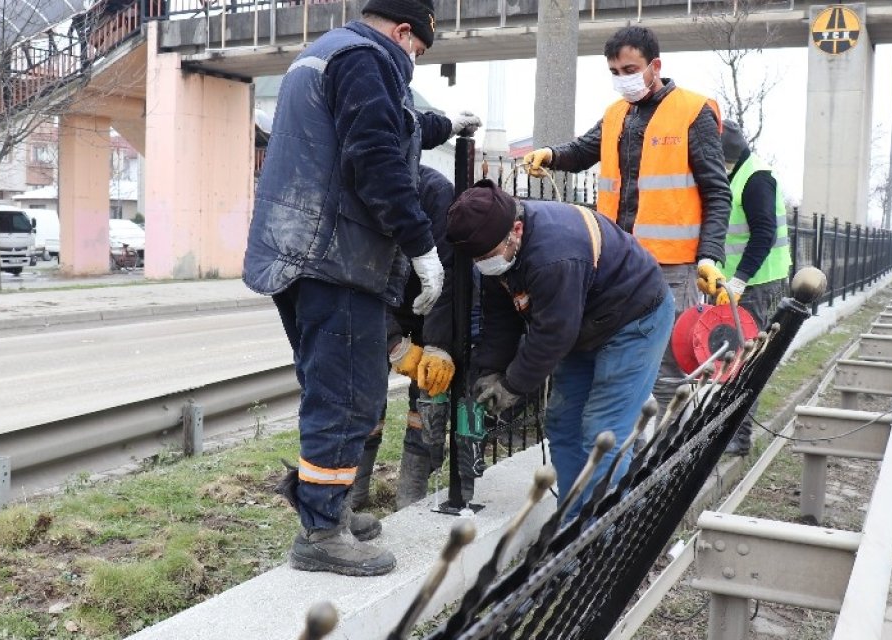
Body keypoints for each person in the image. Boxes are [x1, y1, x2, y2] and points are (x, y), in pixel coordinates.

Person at [242, 0, 479, 577]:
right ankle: (322, 531)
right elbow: (376, 156)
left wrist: (452, 124)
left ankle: (329, 504)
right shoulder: (366, 60)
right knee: (349, 396)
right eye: (418, 51)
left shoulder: (321, 57)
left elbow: (400, 126)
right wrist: (422, 245)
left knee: (330, 386)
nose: (415, 62)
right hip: (336, 256)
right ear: (403, 32)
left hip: (292, 249)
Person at [520, 25, 731, 416]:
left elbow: (717, 192)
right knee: (614, 356)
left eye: (630, 69)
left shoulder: (692, 110)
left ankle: (672, 457)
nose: (623, 79)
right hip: (617, 263)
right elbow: (584, 149)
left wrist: (709, 257)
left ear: (655, 65)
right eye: (615, 72)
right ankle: (626, 453)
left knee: (669, 367)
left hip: (673, 265)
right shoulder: (617, 114)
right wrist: (551, 154)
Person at [445, 179, 674, 519]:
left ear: (517, 230)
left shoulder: (555, 256)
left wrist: (512, 386)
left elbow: (553, 335)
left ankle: (603, 539)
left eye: (487, 256)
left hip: (634, 319)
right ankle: (573, 523)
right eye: (477, 259)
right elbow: (500, 317)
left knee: (603, 433)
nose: (483, 264)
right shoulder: (499, 246)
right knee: (563, 423)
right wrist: (493, 369)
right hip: (583, 321)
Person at [346, 165, 458, 511]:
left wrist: (438, 345)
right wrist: (393, 342)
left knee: (429, 394)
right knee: (362, 396)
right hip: (377, 301)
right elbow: (355, 281)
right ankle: (352, 494)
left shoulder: (436, 194)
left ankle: (411, 496)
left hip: (430, 302)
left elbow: (451, 273)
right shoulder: (356, 192)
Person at [715, 120, 791, 455]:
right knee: (731, 353)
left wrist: (739, 278)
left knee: (746, 358)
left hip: (758, 283)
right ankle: (724, 424)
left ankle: (739, 435)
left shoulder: (756, 177)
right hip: (738, 283)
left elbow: (764, 234)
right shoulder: (734, 174)